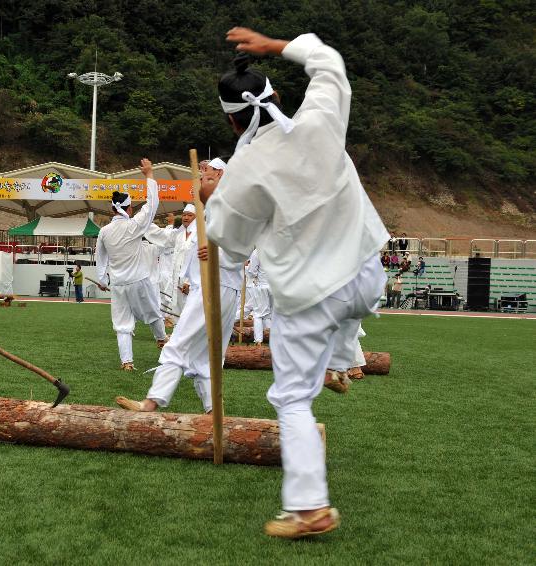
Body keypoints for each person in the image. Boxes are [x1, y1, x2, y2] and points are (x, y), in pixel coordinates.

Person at [206, 29, 389, 538]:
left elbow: (228, 240)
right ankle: (341, 359)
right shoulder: (319, 120)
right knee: (345, 310)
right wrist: (278, 45)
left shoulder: (244, 170)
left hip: (312, 295)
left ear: (230, 119)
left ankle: (309, 507)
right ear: (278, 96)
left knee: (290, 398)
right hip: (366, 274)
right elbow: (329, 63)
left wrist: (208, 200)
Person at [116, 162, 244, 412]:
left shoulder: (230, 207)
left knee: (177, 345)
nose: (200, 179)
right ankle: (213, 410)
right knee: (205, 357)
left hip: (215, 287)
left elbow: (243, 246)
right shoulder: (205, 215)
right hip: (205, 286)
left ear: (220, 175)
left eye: (206, 175)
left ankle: (151, 403)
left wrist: (219, 254)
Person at [95, 158, 168, 371]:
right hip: (139, 280)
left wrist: (101, 279)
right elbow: (152, 205)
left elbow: (100, 257)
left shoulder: (104, 231)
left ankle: (127, 362)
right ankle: (162, 339)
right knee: (154, 313)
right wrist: (149, 176)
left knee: (122, 324)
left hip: (118, 283)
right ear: (129, 207)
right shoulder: (134, 226)